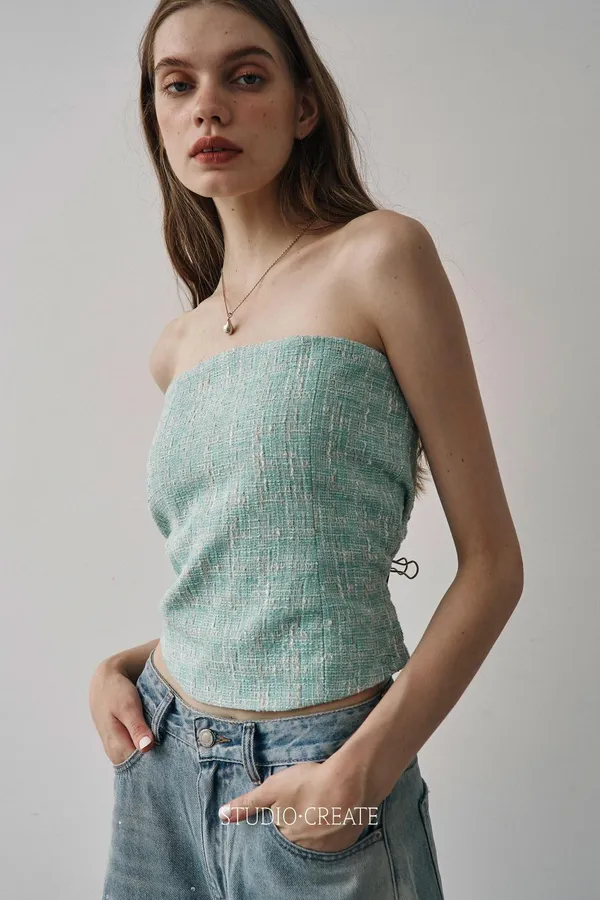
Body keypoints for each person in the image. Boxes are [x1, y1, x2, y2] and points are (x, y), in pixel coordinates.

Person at [89, 1, 524, 898]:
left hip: (320, 773)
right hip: (161, 763)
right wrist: (121, 667)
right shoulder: (179, 346)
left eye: (245, 76)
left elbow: (493, 566)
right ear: (157, 117)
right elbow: (254, 575)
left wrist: (361, 772)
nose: (209, 107)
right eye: (178, 85)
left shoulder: (381, 257)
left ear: (304, 107)